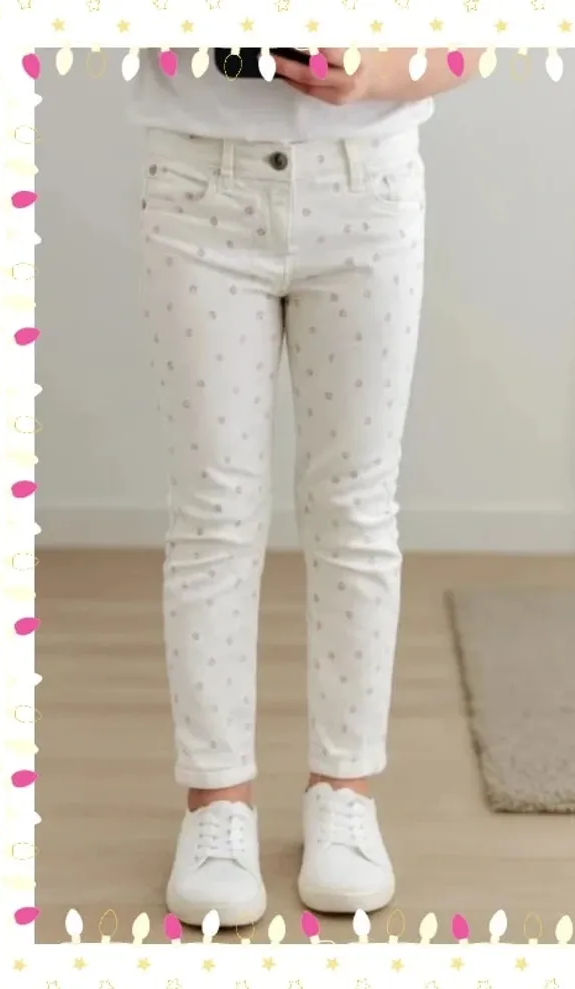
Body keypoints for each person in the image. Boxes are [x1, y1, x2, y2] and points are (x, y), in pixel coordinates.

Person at [131, 47, 480, 927]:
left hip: (369, 188)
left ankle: (344, 793)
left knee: (356, 511)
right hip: (195, 189)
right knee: (212, 515)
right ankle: (216, 805)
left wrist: (373, 75)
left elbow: (470, 41)